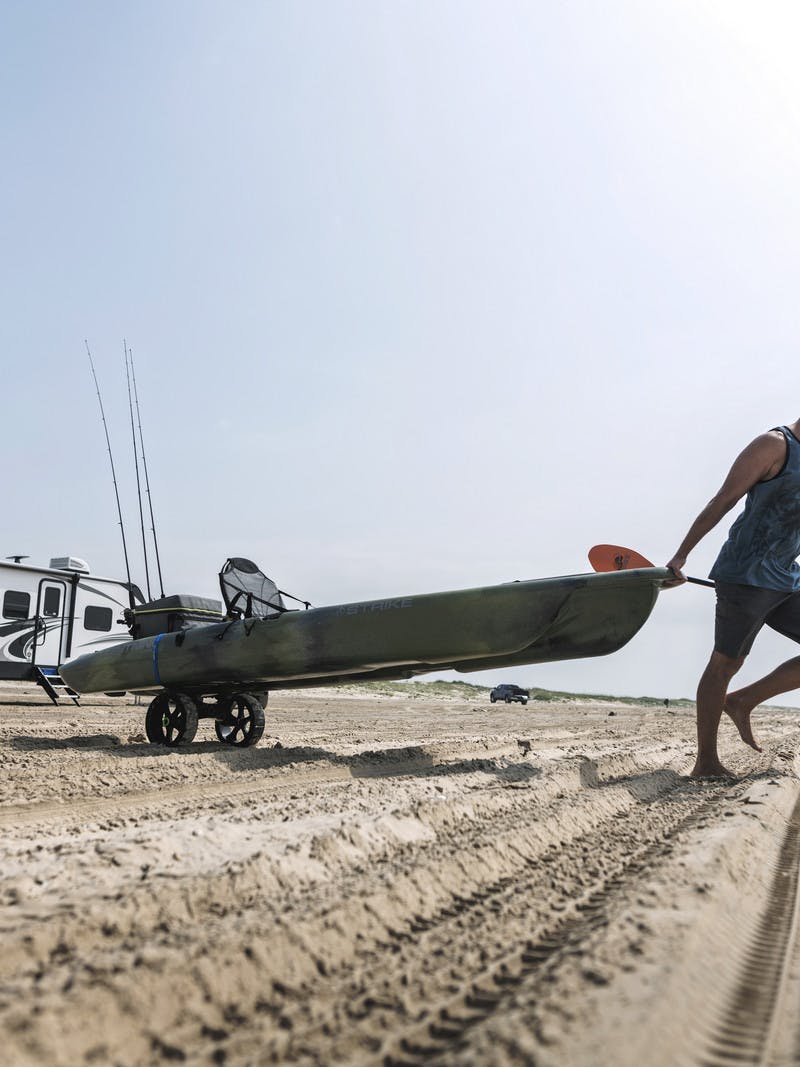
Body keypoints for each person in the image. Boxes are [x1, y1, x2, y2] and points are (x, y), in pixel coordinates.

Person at [666, 419, 800, 778]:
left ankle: (743, 701)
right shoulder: (774, 446)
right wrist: (681, 556)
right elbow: (724, 499)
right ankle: (706, 762)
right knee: (726, 663)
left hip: (788, 577)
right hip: (745, 576)